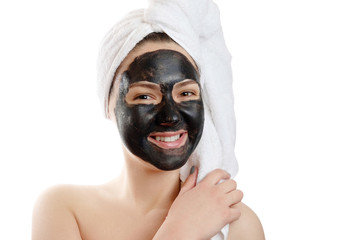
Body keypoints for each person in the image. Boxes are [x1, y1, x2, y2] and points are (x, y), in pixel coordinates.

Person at [32, 1, 265, 240]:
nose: (170, 116)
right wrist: (180, 231)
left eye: (186, 94)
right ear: (109, 106)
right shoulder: (65, 209)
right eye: (144, 96)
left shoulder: (236, 224)